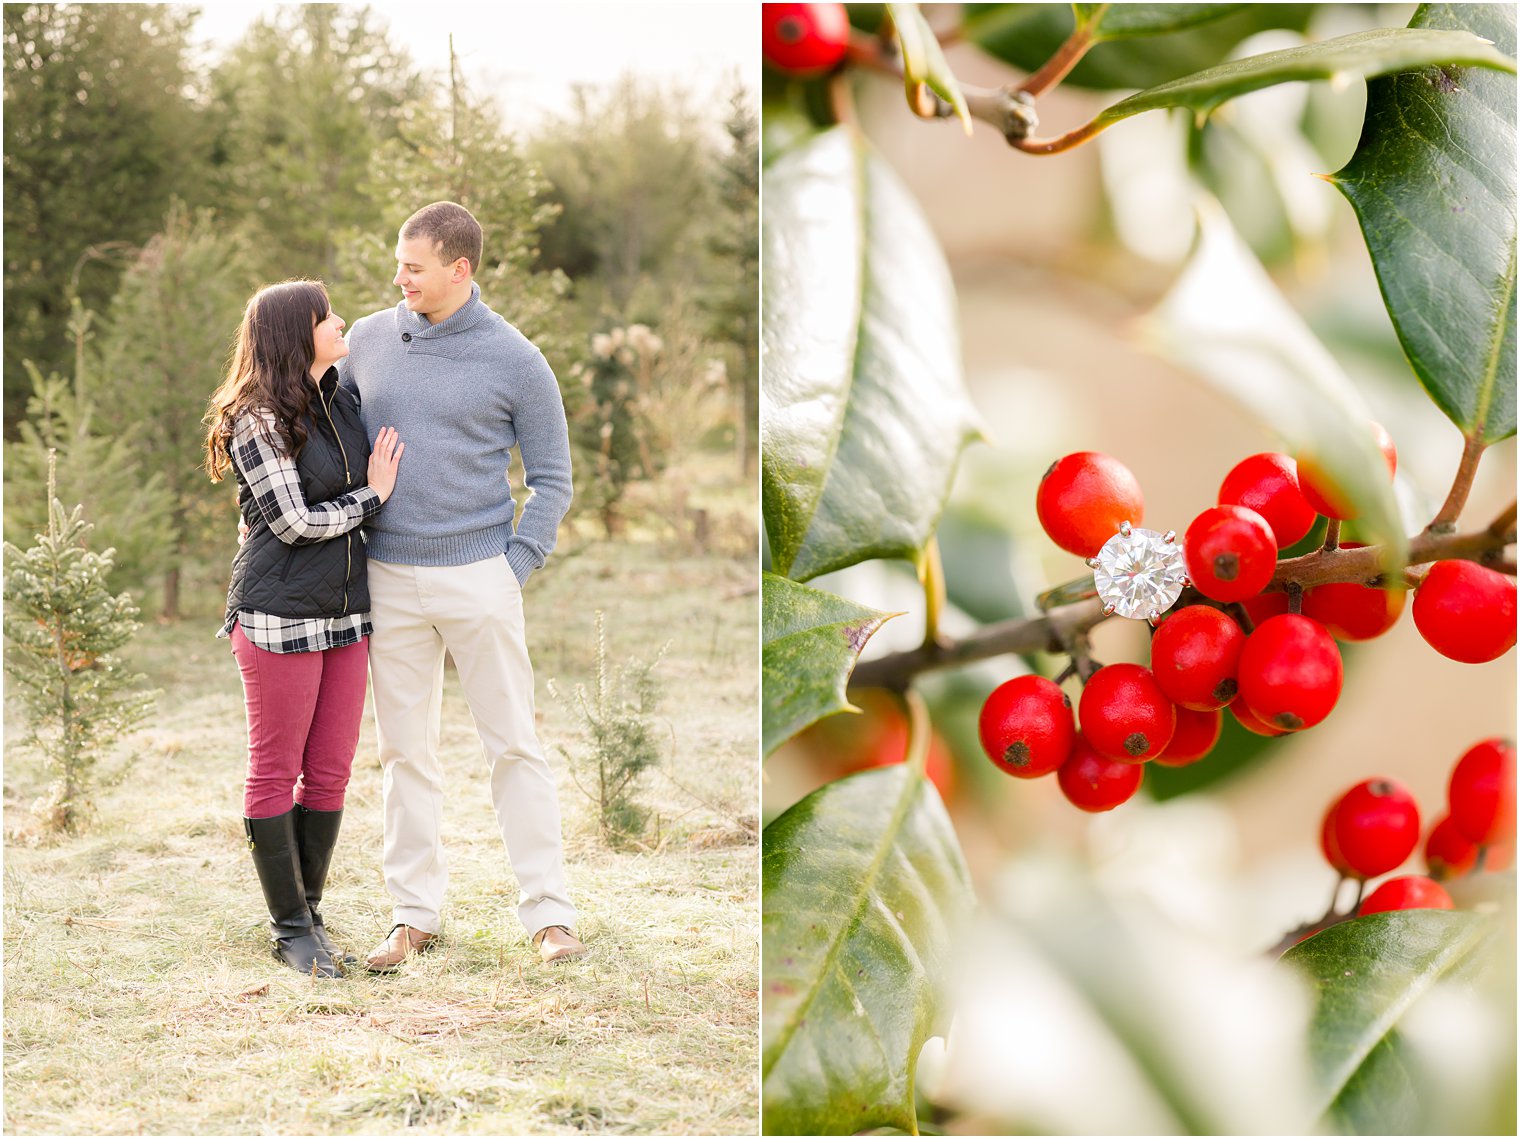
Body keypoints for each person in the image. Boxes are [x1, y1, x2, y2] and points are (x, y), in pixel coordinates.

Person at [338, 201, 586, 970]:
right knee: (403, 751)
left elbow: (552, 480)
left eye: (413, 265)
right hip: (387, 576)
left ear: (460, 268)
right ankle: (413, 915)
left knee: (513, 744)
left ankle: (548, 914)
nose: (398, 277)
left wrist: (512, 566)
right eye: (398, 263)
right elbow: (326, 433)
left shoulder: (516, 359)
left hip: (479, 573)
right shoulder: (369, 340)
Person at [205, 279, 404, 977]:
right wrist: (372, 497)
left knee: (329, 772)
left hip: (347, 615)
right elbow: (291, 523)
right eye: (328, 316)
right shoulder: (255, 415)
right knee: (275, 769)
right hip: (275, 616)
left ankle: (311, 916)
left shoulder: (337, 397)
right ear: (298, 332)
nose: (342, 320)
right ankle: (288, 928)